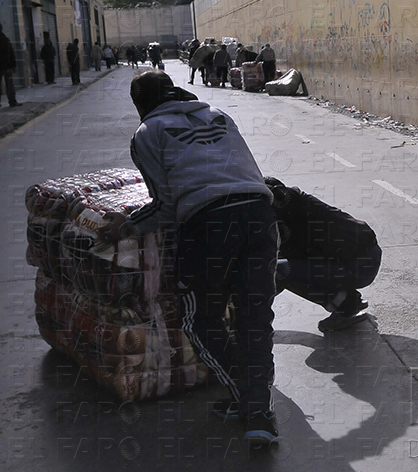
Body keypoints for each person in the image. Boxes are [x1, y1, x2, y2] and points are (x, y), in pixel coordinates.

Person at [96, 70, 280, 443]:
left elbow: (163, 207)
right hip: (261, 217)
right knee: (254, 318)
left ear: (140, 104)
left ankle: (250, 403)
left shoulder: (147, 134)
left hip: (209, 225)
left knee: (199, 318)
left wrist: (127, 226)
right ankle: (258, 414)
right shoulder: (220, 116)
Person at [265, 176, 381, 332]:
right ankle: (348, 300)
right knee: (282, 267)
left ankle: (347, 305)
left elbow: (272, 276)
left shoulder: (285, 218)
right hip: (366, 255)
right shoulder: (295, 199)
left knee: (279, 270)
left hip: (360, 264)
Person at [0, 24, 20, 106]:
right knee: (9, 84)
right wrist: (13, 65)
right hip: (7, 66)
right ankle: (12, 101)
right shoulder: (5, 40)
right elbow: (11, 54)